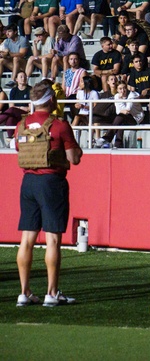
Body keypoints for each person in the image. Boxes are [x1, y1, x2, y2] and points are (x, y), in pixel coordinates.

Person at [15, 82, 82, 307]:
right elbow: (74, 158)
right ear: (51, 99)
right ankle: (51, 293)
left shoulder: (21, 124)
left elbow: (19, 149)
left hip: (28, 182)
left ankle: (24, 292)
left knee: (27, 239)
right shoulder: (60, 126)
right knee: (52, 238)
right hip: (52, 182)